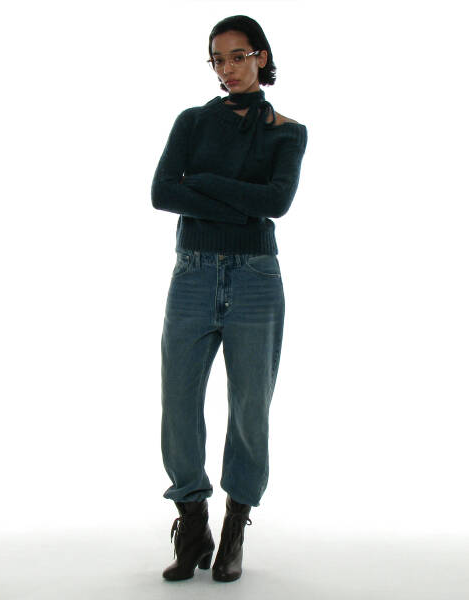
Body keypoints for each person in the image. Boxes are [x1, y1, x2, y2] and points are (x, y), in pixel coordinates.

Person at [151, 15, 308, 582]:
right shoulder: (192, 122)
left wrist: (202, 184)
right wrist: (244, 203)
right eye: (218, 59)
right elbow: (162, 192)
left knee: (249, 407)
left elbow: (278, 203)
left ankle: (235, 527)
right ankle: (192, 523)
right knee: (178, 403)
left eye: (238, 56)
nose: (228, 68)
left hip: (255, 280)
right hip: (192, 274)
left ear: (261, 56)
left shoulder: (288, 132)